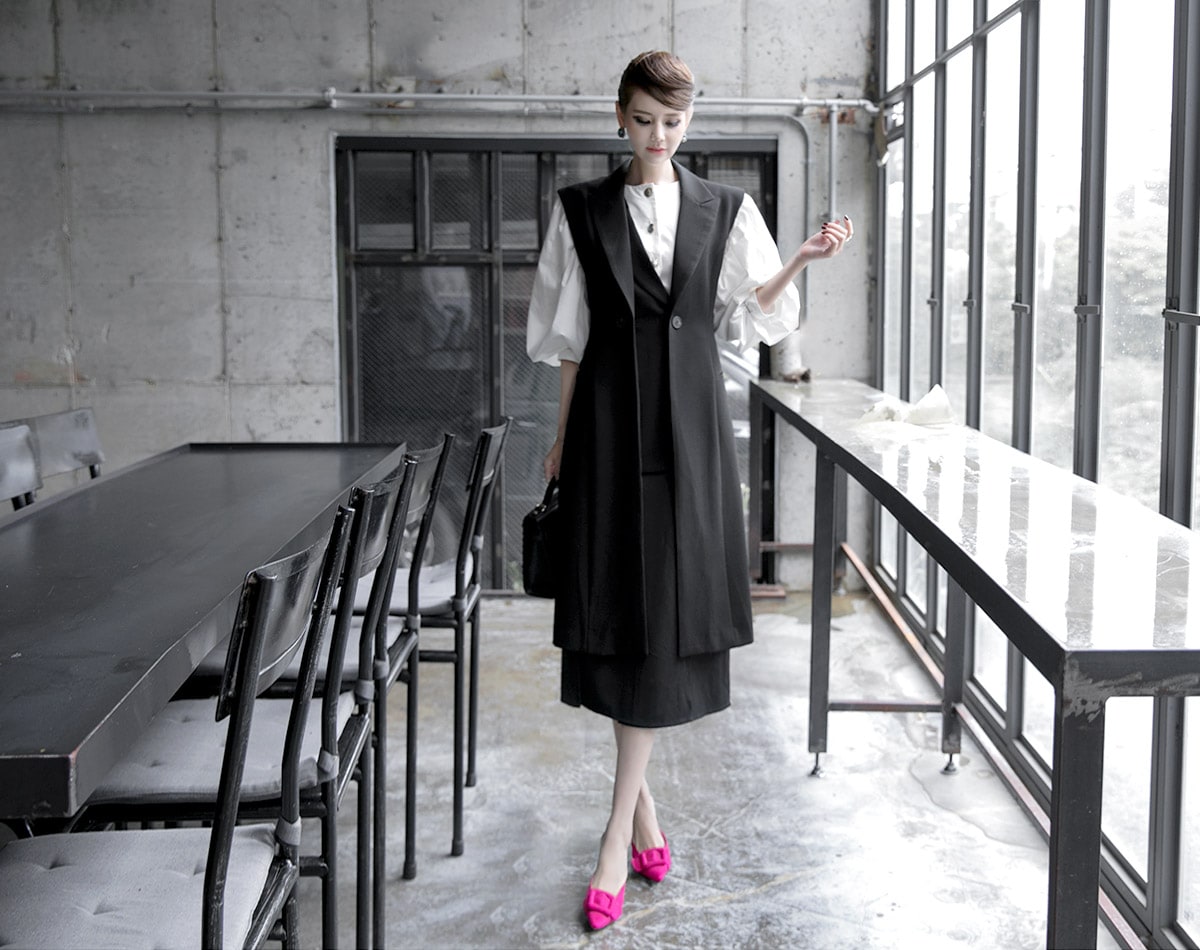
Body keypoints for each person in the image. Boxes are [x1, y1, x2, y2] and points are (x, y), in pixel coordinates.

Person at [525, 49, 852, 931]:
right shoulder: (579, 210)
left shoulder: (726, 209)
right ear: (619, 117)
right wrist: (561, 438)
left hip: (693, 434)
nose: (659, 135)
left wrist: (802, 259)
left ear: (689, 121)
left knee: (662, 617)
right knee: (622, 617)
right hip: (605, 430)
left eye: (673, 122)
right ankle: (636, 824)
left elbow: (748, 313)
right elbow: (569, 340)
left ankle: (619, 835)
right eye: (643, 120)